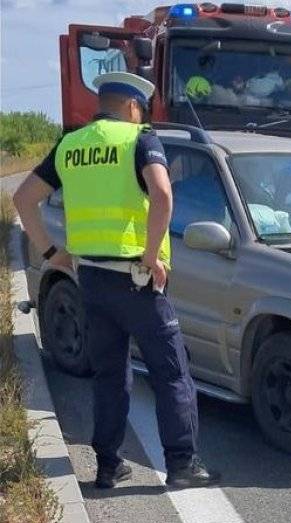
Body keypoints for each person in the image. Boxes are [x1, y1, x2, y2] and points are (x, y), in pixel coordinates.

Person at [13, 71, 220, 489]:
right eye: (140, 110)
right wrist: (150, 255)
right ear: (131, 106)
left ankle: (109, 466)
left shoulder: (70, 146)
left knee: (109, 375)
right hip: (137, 280)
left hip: (91, 279)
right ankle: (182, 464)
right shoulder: (139, 140)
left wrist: (53, 254)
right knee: (172, 372)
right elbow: (162, 194)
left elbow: (22, 199)